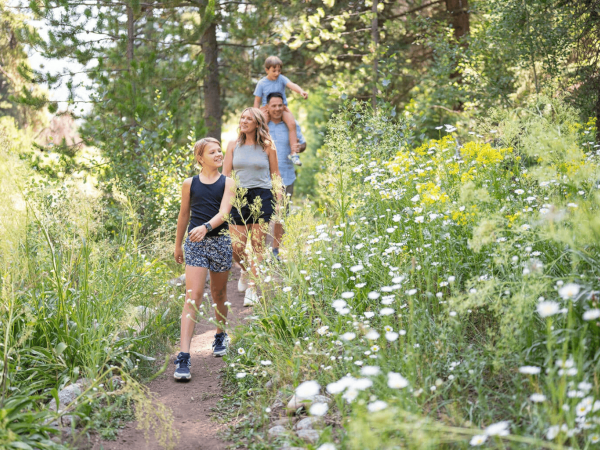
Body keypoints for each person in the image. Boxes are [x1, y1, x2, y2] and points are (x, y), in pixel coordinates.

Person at [173, 137, 236, 380]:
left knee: (219, 294)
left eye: (220, 150)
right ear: (200, 158)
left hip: (220, 242)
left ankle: (220, 334)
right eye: (213, 152)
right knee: (193, 296)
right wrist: (178, 245)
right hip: (195, 244)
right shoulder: (190, 183)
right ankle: (184, 356)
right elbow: (184, 214)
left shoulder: (228, 182)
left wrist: (206, 227)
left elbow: (224, 213)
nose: (219, 154)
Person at [223, 107, 281, 307]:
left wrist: (279, 199)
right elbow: (225, 175)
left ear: (257, 123)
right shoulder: (233, 145)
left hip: (262, 195)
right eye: (242, 118)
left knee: (257, 246)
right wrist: (222, 201)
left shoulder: (267, 145)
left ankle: (252, 289)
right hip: (238, 196)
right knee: (236, 246)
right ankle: (246, 270)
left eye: (249, 118)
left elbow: (275, 175)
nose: (244, 121)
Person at [265, 92, 306, 259]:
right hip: (264, 178)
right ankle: (258, 252)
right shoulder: (262, 124)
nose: (277, 109)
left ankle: (275, 252)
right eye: (273, 105)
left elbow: (303, 143)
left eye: (279, 105)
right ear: (267, 107)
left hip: (287, 176)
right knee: (261, 215)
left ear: (284, 106)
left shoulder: (291, 124)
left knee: (281, 216)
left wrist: (299, 148)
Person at [253, 55, 308, 167]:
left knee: (292, 124)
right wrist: (255, 114)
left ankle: (293, 154)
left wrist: (301, 91)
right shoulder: (262, 83)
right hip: (267, 109)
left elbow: (291, 85)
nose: (277, 73)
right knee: (261, 126)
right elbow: (257, 100)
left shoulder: (281, 79)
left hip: (282, 108)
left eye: (279, 70)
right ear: (267, 70)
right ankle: (260, 153)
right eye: (274, 71)